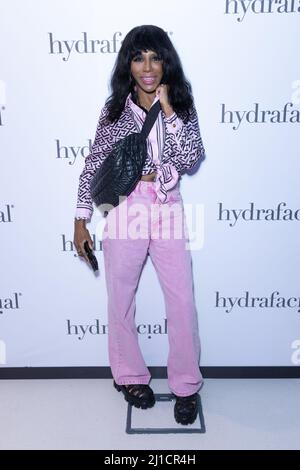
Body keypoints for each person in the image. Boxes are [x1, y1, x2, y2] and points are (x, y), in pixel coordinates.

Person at [73, 25, 206, 425]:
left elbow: (192, 157)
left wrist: (167, 110)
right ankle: (129, 375)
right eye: (138, 57)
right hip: (126, 206)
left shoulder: (181, 105)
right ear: (128, 65)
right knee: (121, 298)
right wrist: (80, 219)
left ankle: (185, 384)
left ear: (166, 61)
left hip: (166, 205)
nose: (147, 67)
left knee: (181, 300)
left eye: (154, 57)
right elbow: (94, 164)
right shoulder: (114, 110)